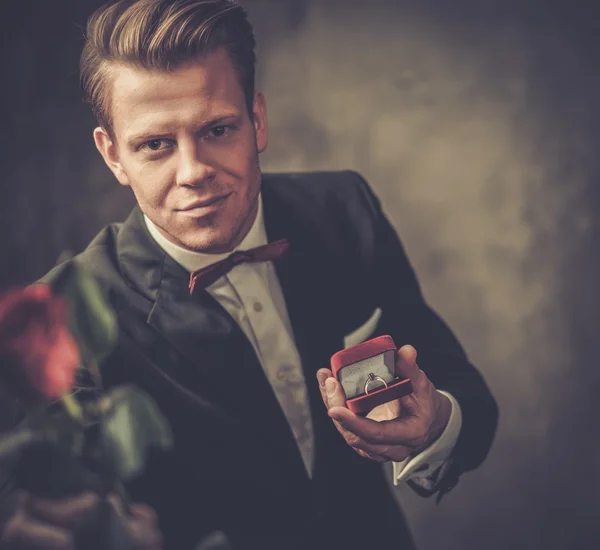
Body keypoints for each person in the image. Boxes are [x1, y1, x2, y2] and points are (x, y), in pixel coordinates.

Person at [0, 0, 498, 548]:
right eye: (155, 145)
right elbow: (24, 488)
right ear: (113, 154)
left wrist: (436, 423)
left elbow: (466, 395)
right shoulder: (59, 315)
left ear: (256, 121)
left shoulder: (344, 208)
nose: (193, 172)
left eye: (217, 129)